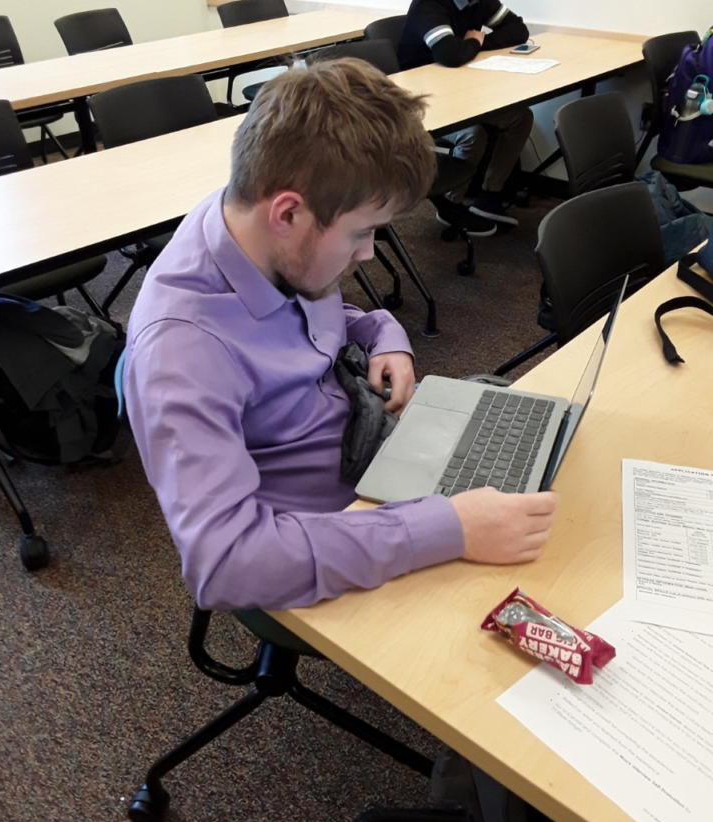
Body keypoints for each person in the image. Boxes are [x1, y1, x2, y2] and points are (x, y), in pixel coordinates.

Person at [124, 59, 558, 612]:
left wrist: (384, 332)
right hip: (334, 531)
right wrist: (446, 528)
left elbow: (311, 316)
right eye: (361, 233)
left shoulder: (260, 230)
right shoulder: (181, 350)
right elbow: (227, 565)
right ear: (287, 213)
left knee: (537, 464)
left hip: (377, 454)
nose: (368, 254)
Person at [398, 0, 534, 236]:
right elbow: (449, 53)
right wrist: (473, 42)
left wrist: (477, 41)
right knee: (474, 131)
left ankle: (488, 197)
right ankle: (450, 205)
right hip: (420, 99)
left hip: (459, 89)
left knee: (519, 118)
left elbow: (518, 29)